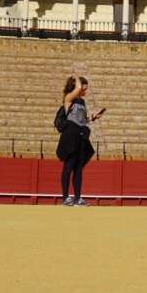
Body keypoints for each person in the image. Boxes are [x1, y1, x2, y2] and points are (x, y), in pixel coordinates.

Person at [55, 75, 106, 206]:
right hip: (70, 135)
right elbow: (77, 88)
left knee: (78, 168)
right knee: (69, 165)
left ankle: (77, 198)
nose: (85, 90)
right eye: (84, 87)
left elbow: (82, 120)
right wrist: (76, 76)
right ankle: (66, 197)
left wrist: (93, 118)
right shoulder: (68, 98)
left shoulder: (82, 102)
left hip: (81, 135)